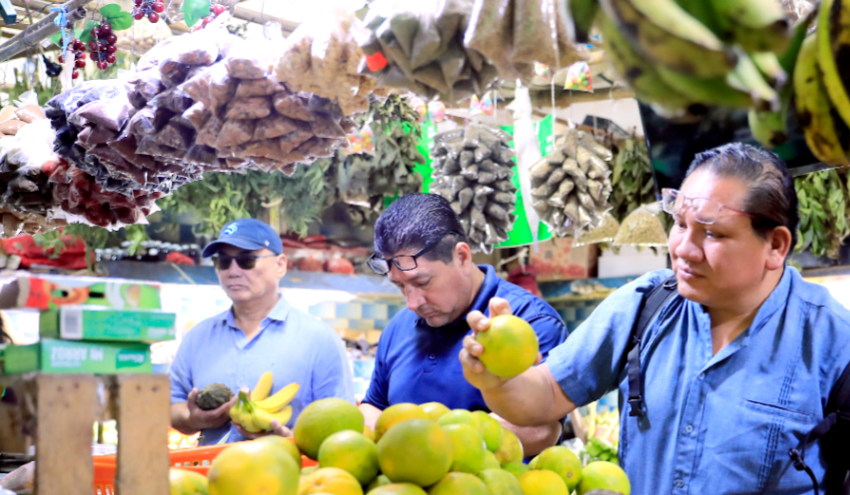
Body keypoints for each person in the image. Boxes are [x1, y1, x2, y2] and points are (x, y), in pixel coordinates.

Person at [461, 144, 850, 495]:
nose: (684, 248)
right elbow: (542, 397)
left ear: (776, 246)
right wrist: (495, 378)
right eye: (681, 223)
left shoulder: (836, 342)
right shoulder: (643, 307)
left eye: (713, 234)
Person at [361, 194, 567, 456]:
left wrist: (429, 448)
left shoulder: (530, 321)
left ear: (461, 257)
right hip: (404, 492)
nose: (412, 303)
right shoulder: (398, 326)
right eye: (400, 286)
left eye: (422, 282)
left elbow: (542, 430)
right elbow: (374, 406)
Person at [170, 219, 354, 444]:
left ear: (280, 265)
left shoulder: (320, 340)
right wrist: (194, 419)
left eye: (247, 260)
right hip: (209, 475)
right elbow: (171, 407)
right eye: (223, 261)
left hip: (290, 474)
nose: (233, 271)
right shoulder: (196, 338)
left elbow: (343, 425)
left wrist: (293, 439)